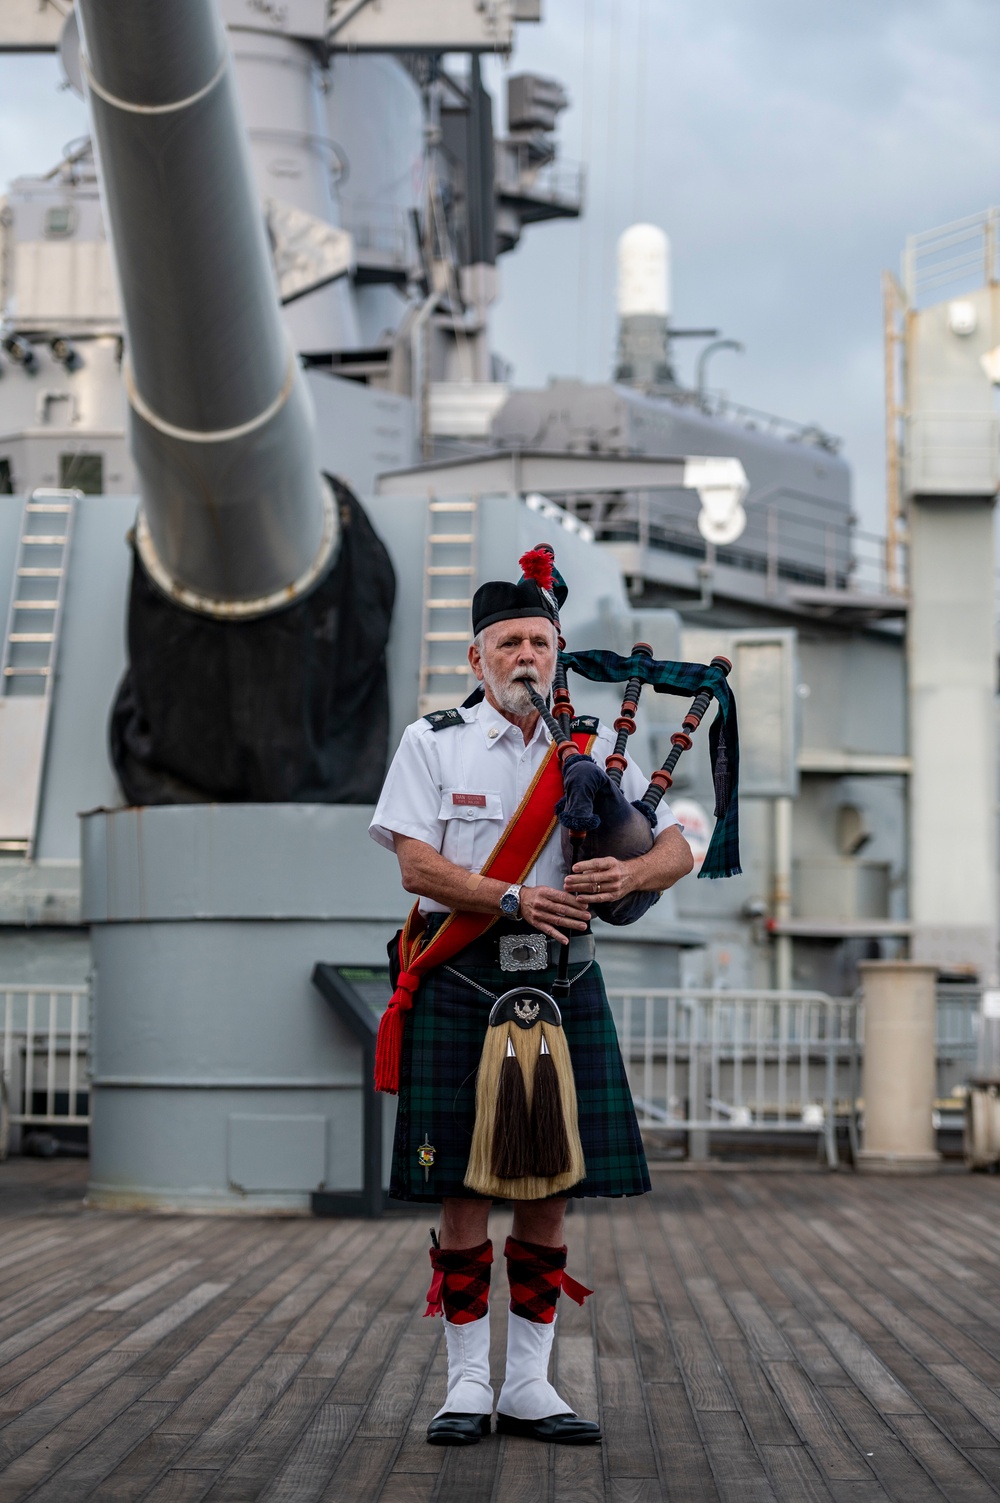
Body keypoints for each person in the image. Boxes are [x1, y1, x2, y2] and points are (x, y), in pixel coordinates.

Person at [368, 555, 692, 1447]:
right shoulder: (432, 741)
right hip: (465, 975)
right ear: (476, 659)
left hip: (563, 982)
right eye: (507, 642)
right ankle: (466, 1382)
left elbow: (686, 840)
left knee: (550, 1187)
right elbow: (414, 864)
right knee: (465, 1186)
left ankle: (530, 1383)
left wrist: (630, 869)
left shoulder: (588, 752)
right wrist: (509, 897)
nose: (525, 657)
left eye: (539, 642)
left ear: (556, 652)